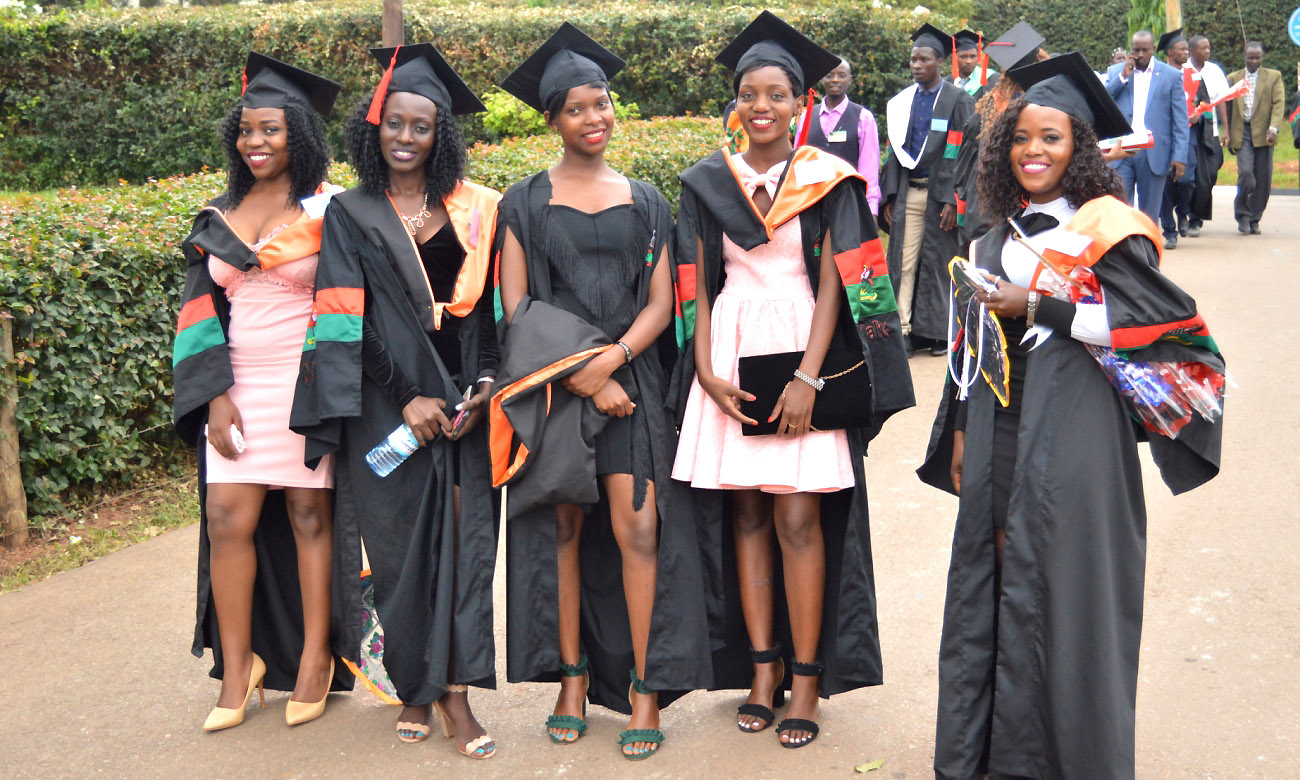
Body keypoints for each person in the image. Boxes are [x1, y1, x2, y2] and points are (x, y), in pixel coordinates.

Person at [917, 52, 1225, 780]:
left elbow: (1174, 339)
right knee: (999, 578)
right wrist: (961, 427)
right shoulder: (996, 233)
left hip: (1081, 429)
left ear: (1078, 148)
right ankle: (994, 755)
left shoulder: (1110, 230)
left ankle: (1073, 759)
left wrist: (1042, 306)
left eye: (1051, 138)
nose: (1033, 151)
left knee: (1067, 586)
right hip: (1000, 421)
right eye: (1021, 138)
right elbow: (972, 341)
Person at [672, 10, 914, 749]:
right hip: (733, 352)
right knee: (745, 515)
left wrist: (812, 376)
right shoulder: (707, 181)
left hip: (803, 345)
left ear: (800, 103)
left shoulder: (828, 181)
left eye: (777, 94)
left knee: (798, 518)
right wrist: (707, 370)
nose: (762, 107)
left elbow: (849, 283)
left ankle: (807, 678)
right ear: (736, 102)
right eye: (750, 93)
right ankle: (761, 670)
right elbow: (695, 282)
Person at [493, 22, 711, 761]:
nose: (597, 118)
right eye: (579, 108)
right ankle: (573, 679)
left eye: (605, 103)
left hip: (632, 386)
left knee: (638, 531)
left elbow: (662, 302)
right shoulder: (521, 203)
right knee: (561, 531)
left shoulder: (647, 199)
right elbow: (516, 305)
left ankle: (647, 687)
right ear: (553, 118)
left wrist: (614, 362)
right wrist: (585, 372)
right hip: (555, 389)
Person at [288, 44, 500, 759]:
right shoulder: (351, 213)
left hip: (465, 407)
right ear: (372, 128)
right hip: (389, 407)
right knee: (401, 549)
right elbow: (345, 315)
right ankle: (414, 685)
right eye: (395, 123)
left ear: (442, 136)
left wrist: (486, 384)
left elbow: (490, 312)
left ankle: (459, 699)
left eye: (422, 126)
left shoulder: (475, 211)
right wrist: (408, 397)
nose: (406, 137)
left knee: (468, 552)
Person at [172, 52, 348, 731]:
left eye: (270, 129)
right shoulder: (218, 213)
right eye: (246, 131)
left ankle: (312, 658)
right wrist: (213, 395)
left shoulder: (329, 210)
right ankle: (239, 667)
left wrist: (324, 389)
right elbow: (197, 313)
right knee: (227, 521)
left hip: (304, 383)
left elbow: (346, 304)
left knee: (309, 518)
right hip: (237, 385)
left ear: (297, 134)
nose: (256, 142)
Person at [880, 23, 976, 356]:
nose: (916, 66)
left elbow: (963, 151)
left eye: (923, 60)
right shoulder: (903, 101)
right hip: (910, 192)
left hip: (940, 197)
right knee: (904, 262)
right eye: (913, 60)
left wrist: (953, 198)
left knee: (939, 263)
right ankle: (904, 329)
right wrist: (890, 195)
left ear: (939, 62)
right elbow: (895, 149)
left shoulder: (957, 100)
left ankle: (938, 333)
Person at [952, 21, 1047, 250]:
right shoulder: (1043, 102)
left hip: (986, 208)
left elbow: (965, 165)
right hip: (1021, 208)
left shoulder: (991, 104)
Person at [1105, 30, 1189, 224]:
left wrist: (1179, 156)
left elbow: (1180, 120)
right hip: (1121, 151)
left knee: (1149, 214)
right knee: (1120, 209)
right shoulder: (1116, 72)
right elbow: (1104, 102)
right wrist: (1123, 77)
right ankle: (1124, 251)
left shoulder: (1171, 76)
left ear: (1153, 49)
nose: (1140, 55)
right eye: (1136, 50)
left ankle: (1148, 251)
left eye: (1145, 50)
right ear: (1130, 50)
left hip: (1154, 151)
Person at [805, 58, 882, 215]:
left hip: (849, 204)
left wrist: (870, 210)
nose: (835, 79)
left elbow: (869, 170)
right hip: (812, 204)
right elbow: (798, 162)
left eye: (841, 75)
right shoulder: (806, 117)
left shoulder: (863, 118)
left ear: (849, 80)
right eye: (830, 75)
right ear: (822, 79)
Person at [1226, 41, 1287, 234]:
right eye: (1250, 57)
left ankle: (1254, 218)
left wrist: (1274, 128)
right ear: (1244, 57)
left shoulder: (1274, 77)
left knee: (1263, 179)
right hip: (1242, 132)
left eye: (1258, 57)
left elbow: (1279, 104)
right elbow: (1226, 107)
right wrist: (1226, 132)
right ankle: (1243, 214)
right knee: (1245, 174)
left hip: (1265, 134)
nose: (1254, 61)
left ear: (1262, 57)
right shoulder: (1233, 78)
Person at [1185, 34, 1230, 236]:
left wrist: (1225, 129)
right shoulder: (1182, 70)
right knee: (1191, 176)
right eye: (1203, 48)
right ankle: (1190, 217)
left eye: (1208, 48)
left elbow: (1221, 100)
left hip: (1210, 129)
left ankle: (1198, 213)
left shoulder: (1215, 71)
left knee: (1210, 173)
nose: (1207, 51)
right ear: (1192, 51)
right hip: (1189, 130)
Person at [1157, 29, 1197, 249]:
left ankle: (1183, 212)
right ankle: (1169, 230)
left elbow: (1200, 99)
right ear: (1170, 52)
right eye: (1182, 49)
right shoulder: (1160, 75)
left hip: (1186, 133)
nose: (1186, 53)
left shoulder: (1192, 75)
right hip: (1163, 137)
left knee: (1186, 179)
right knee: (1163, 187)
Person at [951, 30, 993, 99]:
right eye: (963, 56)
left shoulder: (990, 78)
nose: (968, 61)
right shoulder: (946, 83)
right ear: (955, 57)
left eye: (973, 56)